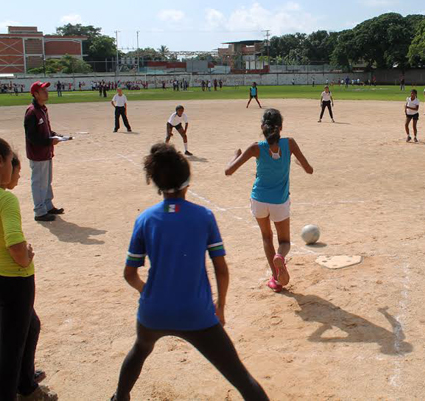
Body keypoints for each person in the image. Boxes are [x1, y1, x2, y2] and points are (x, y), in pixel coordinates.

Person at [112, 144, 268, 401]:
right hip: (196, 313)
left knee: (140, 348)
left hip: (153, 313)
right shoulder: (203, 216)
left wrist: (148, 291)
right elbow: (221, 269)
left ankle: (120, 397)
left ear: (158, 184)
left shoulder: (146, 219)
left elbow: (129, 274)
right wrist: (222, 305)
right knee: (241, 377)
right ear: (187, 182)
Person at [0, 135, 57, 400]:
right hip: (13, 280)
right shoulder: (3, 199)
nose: (13, 166)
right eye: (11, 160)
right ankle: (9, 393)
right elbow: (16, 247)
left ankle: (21, 385)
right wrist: (27, 255)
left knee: (14, 332)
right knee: (11, 348)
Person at [225, 109, 313, 292]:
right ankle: (280, 257)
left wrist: (235, 155)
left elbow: (229, 171)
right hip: (279, 202)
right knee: (285, 242)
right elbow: (309, 169)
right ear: (281, 127)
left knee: (266, 237)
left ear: (262, 127)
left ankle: (276, 278)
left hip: (258, 200)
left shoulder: (256, 147)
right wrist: (297, 162)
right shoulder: (290, 144)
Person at [24, 82, 66, 222]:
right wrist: (49, 141)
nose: (46, 92)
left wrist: (56, 136)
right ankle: (39, 211)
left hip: (46, 152)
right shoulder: (32, 112)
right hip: (38, 154)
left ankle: (48, 206)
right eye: (43, 90)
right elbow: (32, 137)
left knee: (47, 181)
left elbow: (46, 131)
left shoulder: (42, 109)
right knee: (39, 182)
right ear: (35, 94)